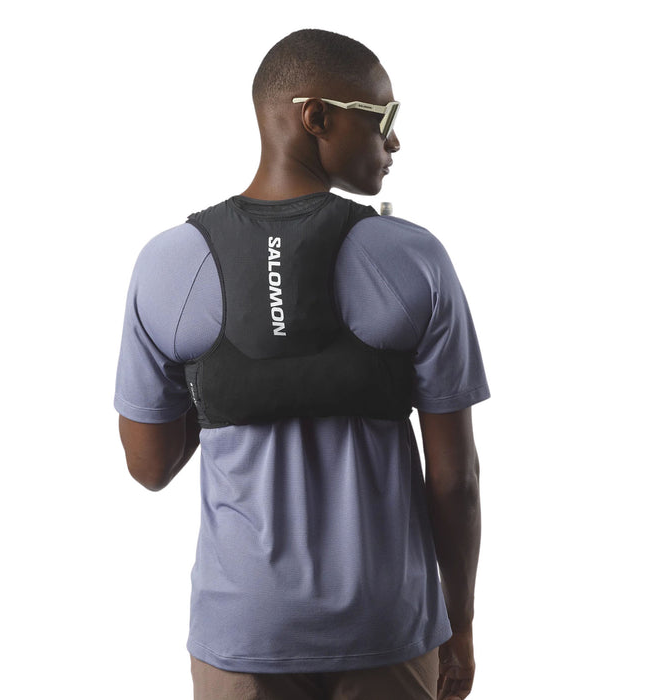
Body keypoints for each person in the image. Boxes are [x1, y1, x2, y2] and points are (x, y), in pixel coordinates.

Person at [114, 28, 489, 700]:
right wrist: (459, 627)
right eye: (383, 118)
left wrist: (223, 375)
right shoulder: (412, 258)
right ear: (317, 117)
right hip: (388, 626)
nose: (394, 142)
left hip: (242, 637)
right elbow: (455, 480)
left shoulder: (169, 264)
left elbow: (149, 466)